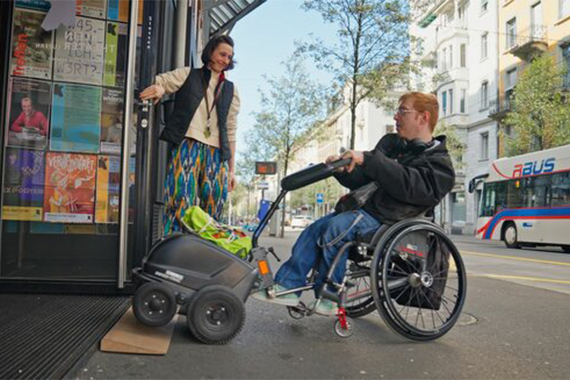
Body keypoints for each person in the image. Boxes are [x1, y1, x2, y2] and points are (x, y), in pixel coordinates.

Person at [252, 92, 456, 316]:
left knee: (335, 229)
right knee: (313, 229)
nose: (396, 116)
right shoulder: (393, 145)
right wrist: (343, 171)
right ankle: (288, 286)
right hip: (366, 209)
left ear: (423, 117)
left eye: (402, 111)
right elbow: (365, 178)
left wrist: (368, 159)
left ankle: (330, 297)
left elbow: (411, 186)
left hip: (390, 218)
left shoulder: (439, 164)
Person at [140, 35, 240, 235]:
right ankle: (174, 244)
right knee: (180, 196)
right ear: (211, 51)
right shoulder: (189, 74)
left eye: (229, 57)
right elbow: (163, 81)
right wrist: (160, 88)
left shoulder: (231, 90)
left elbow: (231, 130)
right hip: (189, 143)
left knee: (214, 199)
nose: (225, 60)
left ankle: (205, 248)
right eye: (222, 54)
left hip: (217, 151)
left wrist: (231, 170)